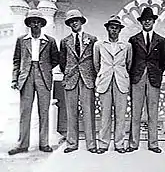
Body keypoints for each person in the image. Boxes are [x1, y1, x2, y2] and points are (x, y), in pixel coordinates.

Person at [8, 9, 59, 155]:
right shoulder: (22, 40)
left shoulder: (49, 40)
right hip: (26, 77)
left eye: (38, 22)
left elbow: (55, 58)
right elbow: (16, 60)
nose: (35, 24)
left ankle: (44, 143)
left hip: (43, 77)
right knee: (25, 112)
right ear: (29, 24)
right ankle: (22, 145)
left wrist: (45, 68)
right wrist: (14, 78)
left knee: (44, 111)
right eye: (32, 22)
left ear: (42, 24)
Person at [126, 7, 165, 153]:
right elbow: (130, 60)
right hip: (137, 78)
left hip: (154, 79)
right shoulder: (133, 39)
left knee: (153, 112)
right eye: (144, 20)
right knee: (135, 112)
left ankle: (153, 144)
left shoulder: (161, 40)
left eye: (149, 20)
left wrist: (156, 73)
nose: (147, 22)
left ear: (154, 21)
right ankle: (133, 143)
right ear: (141, 22)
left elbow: (163, 62)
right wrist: (135, 75)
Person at [60, 9, 98, 153]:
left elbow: (95, 60)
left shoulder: (92, 39)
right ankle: (72, 143)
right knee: (71, 112)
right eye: (71, 21)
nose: (74, 23)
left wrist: (92, 76)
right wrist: (68, 73)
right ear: (69, 24)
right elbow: (62, 61)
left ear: (81, 21)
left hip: (87, 79)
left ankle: (91, 144)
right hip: (71, 79)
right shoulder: (65, 41)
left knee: (88, 111)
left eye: (76, 20)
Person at [93, 15, 132, 154]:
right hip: (105, 81)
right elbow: (96, 64)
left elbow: (128, 64)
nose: (114, 30)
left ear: (120, 30)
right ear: (107, 29)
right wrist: (104, 74)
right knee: (105, 114)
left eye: (116, 28)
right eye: (111, 27)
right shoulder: (99, 45)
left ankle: (119, 144)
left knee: (121, 114)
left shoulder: (126, 46)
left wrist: (121, 74)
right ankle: (103, 144)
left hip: (121, 81)